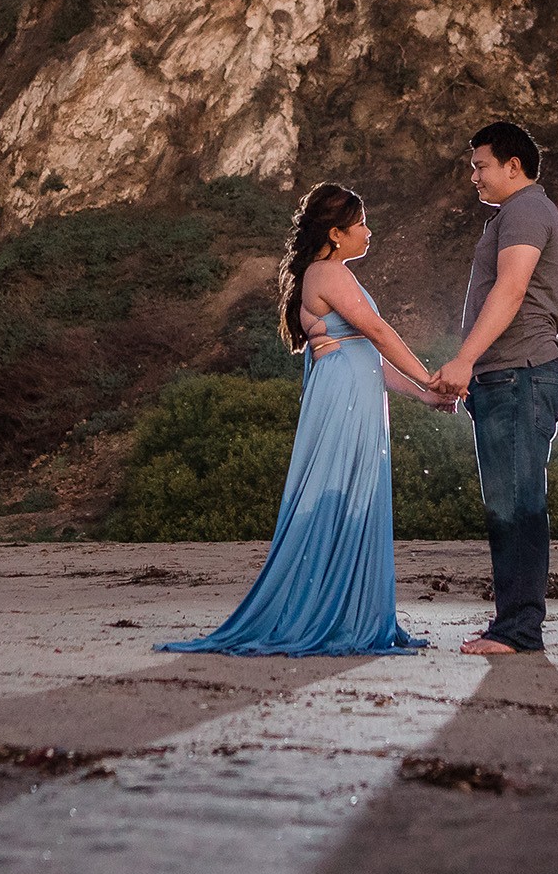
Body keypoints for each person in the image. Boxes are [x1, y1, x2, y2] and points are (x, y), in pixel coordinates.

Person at [158, 183, 451, 657]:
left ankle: (348, 611)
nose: (368, 233)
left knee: (354, 493)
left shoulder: (328, 274)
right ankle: (329, 613)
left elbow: (367, 360)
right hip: (345, 400)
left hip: (354, 393)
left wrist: (422, 395)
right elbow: (376, 332)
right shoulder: (328, 273)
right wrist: (431, 377)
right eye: (360, 225)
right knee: (340, 492)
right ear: (335, 233)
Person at [433, 121, 558, 655]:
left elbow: (511, 290)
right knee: (506, 503)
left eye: (480, 165)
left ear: (513, 166)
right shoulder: (514, 214)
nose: (474, 177)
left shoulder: (527, 209)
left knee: (518, 504)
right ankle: (511, 625)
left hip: (520, 376)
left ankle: (518, 630)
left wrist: (465, 359)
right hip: (506, 378)